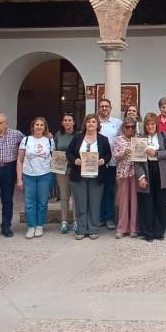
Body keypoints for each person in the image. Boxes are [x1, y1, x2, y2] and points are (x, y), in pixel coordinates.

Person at [66, 114, 112, 240]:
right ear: (85, 124)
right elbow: (69, 153)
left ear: (97, 125)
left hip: (96, 176)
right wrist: (75, 160)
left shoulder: (103, 139)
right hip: (79, 176)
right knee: (80, 203)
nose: (91, 124)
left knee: (94, 204)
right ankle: (81, 229)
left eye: (93, 122)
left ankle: (93, 229)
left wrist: (103, 160)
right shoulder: (77, 138)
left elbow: (108, 154)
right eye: (88, 122)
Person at [135, 113, 166, 241]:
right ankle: (148, 233)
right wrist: (141, 176)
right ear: (144, 126)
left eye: (152, 123)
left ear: (156, 124)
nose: (150, 126)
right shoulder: (140, 138)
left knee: (160, 202)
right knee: (146, 203)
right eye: (147, 124)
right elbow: (137, 160)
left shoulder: (164, 136)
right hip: (146, 170)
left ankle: (159, 231)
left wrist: (156, 153)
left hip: (161, 171)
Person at [17, 117, 55, 239]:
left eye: (41, 125)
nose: (39, 127)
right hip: (29, 175)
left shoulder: (49, 140)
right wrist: (19, 179)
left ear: (45, 127)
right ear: (33, 126)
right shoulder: (26, 140)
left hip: (45, 174)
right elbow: (19, 160)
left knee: (43, 202)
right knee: (29, 203)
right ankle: (31, 226)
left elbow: (54, 157)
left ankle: (39, 225)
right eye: (37, 124)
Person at [97, 98, 122, 230]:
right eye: (102, 106)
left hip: (112, 162)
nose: (104, 108)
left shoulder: (117, 123)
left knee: (110, 191)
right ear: (98, 108)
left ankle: (109, 218)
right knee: (99, 191)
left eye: (106, 106)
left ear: (110, 108)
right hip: (97, 163)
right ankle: (100, 217)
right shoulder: (94, 122)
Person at [113, 118, 139, 238]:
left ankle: (134, 228)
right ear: (123, 128)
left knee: (134, 201)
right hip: (122, 173)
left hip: (136, 173)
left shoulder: (138, 139)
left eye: (132, 127)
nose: (130, 129)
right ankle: (122, 228)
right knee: (123, 201)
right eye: (128, 127)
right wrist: (124, 153)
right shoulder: (118, 140)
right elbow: (115, 156)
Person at [54, 114, 78, 234]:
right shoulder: (58, 135)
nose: (67, 122)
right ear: (62, 123)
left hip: (75, 169)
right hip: (61, 170)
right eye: (65, 120)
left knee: (76, 196)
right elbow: (53, 149)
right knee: (64, 196)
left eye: (70, 120)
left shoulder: (78, 135)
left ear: (74, 122)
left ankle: (76, 221)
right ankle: (64, 221)